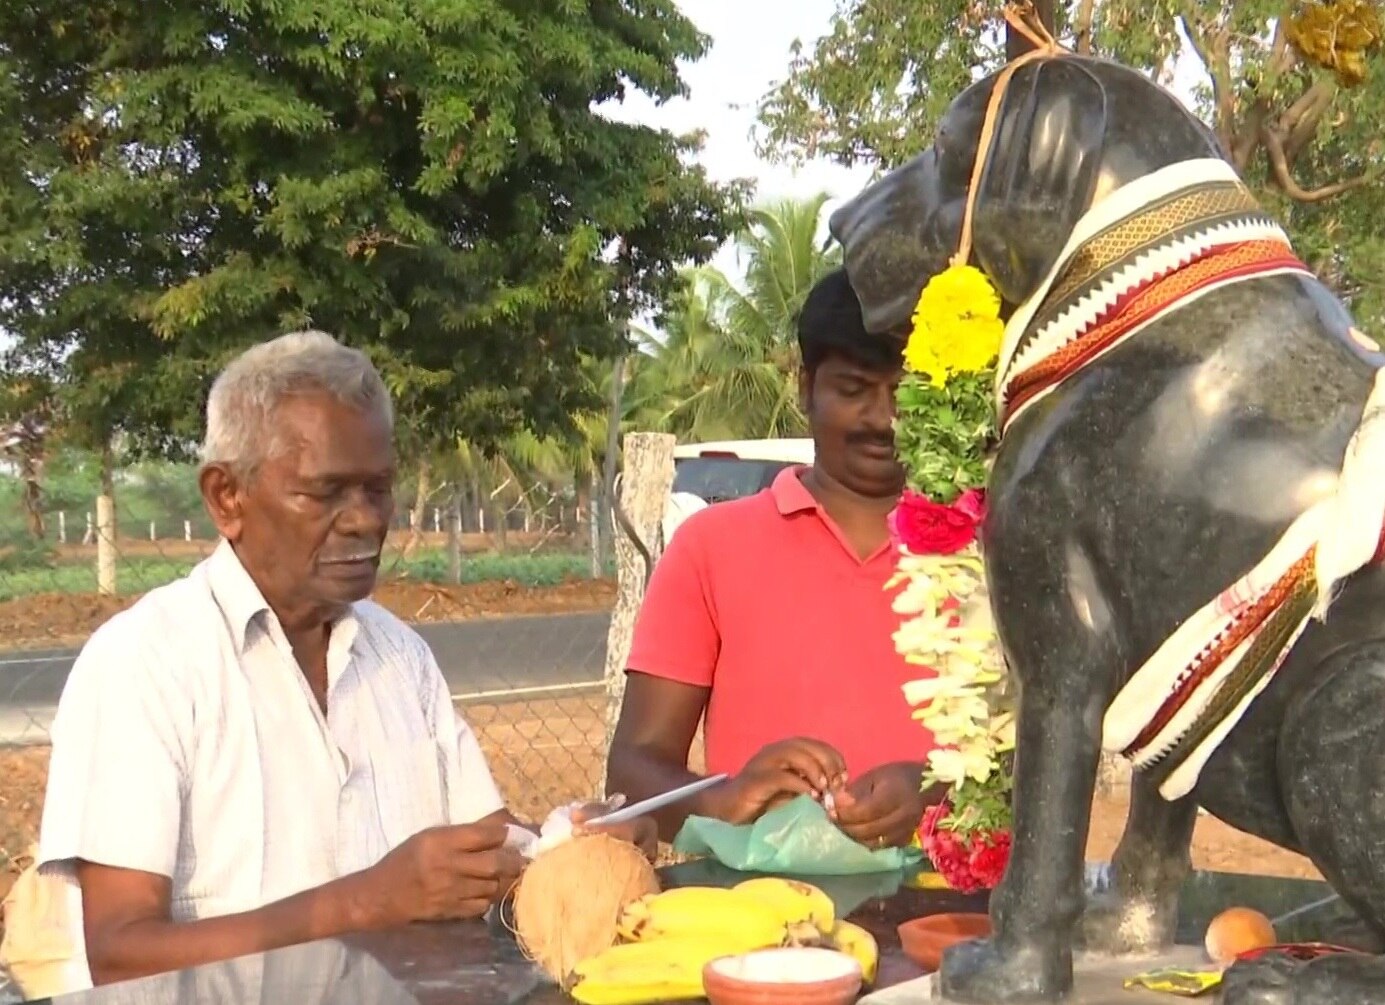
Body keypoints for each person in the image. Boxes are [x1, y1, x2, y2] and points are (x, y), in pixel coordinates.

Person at [31, 331, 653, 992]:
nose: (363, 521)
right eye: (323, 493)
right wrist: (362, 901)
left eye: (377, 489)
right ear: (226, 498)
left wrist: (564, 845)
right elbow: (120, 956)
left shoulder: (399, 655)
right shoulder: (145, 664)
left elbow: (484, 844)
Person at [606, 268, 942, 850]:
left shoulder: (980, 555)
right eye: (854, 389)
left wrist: (937, 796)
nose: (883, 420)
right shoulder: (710, 548)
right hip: (760, 921)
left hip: (951, 921)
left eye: (907, 392)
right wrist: (726, 798)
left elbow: (1038, 771)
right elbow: (634, 770)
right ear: (806, 389)